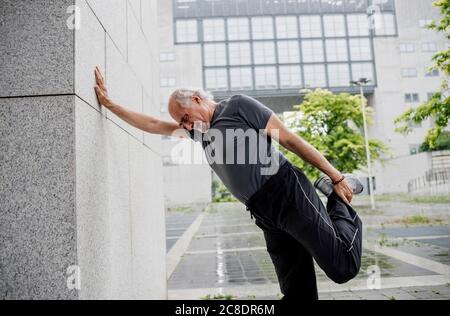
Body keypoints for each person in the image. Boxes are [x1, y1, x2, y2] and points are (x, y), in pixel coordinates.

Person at [94, 66, 363, 300]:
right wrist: (110, 104)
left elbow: (291, 140)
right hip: (263, 212)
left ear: (196, 100)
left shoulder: (238, 106)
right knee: (297, 291)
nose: (185, 126)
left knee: (342, 267)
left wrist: (337, 177)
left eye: (185, 118)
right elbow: (153, 124)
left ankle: (337, 200)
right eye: (181, 123)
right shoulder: (199, 134)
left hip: (287, 192)